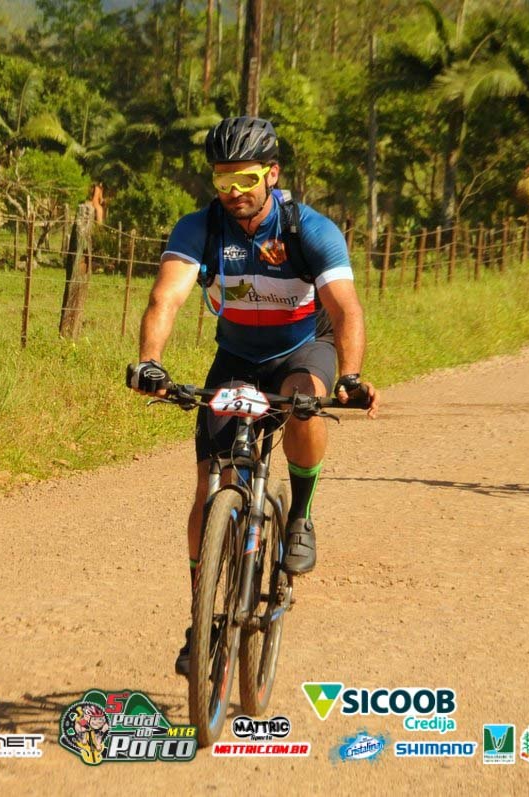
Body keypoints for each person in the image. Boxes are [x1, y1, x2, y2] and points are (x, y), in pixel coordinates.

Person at [127, 116, 379, 676]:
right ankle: (202, 616)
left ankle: (301, 516)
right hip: (238, 357)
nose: (234, 192)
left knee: (304, 403)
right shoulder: (200, 228)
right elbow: (166, 297)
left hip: (304, 349)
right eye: (223, 180)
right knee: (209, 487)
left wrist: (351, 376)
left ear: (272, 174)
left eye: (245, 178)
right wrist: (150, 361)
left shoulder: (310, 230)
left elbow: (345, 309)